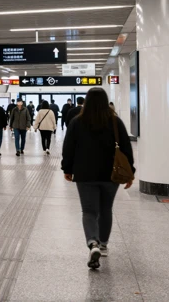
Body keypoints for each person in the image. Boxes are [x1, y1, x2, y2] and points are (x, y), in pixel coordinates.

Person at [62, 88, 134, 270]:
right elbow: (126, 148)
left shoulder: (77, 122)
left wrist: (67, 168)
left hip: (85, 174)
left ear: (86, 101)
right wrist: (130, 171)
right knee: (106, 208)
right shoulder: (116, 122)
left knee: (89, 211)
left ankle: (92, 243)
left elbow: (68, 147)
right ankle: (103, 245)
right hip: (111, 174)